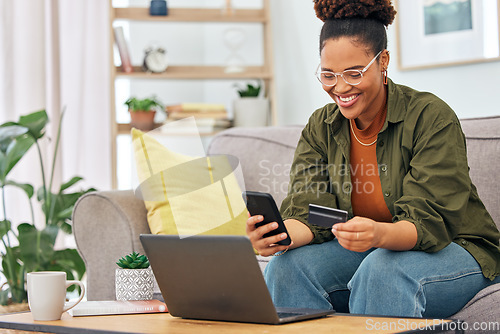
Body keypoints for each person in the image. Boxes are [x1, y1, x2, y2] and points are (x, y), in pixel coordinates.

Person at [246, 0, 500, 318]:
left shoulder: (431, 117)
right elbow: (312, 211)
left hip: (455, 248)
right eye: (328, 75)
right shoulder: (321, 126)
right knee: (287, 267)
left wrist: (379, 234)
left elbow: (429, 223)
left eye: (353, 73)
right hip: (372, 248)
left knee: (383, 270)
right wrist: (277, 238)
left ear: (383, 61)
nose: (340, 87)